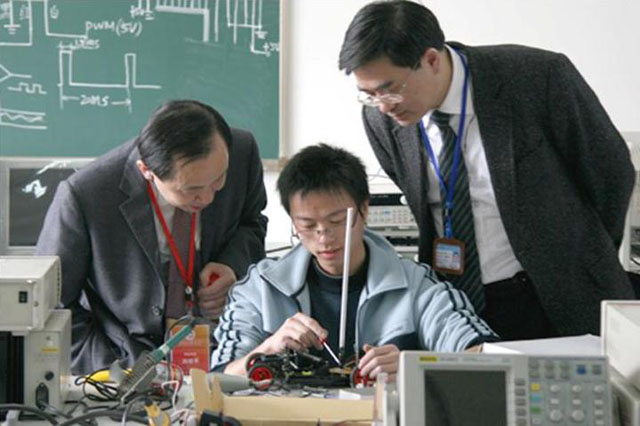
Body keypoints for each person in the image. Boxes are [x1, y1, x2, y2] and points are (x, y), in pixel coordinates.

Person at [338, 0, 636, 340]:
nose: (382, 106)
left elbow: (611, 172)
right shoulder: (380, 119)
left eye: (389, 89)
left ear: (431, 60)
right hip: (457, 307)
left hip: (556, 296)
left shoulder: (537, 78)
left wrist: (587, 254)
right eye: (368, 94)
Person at [211, 144, 497, 381]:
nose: (324, 237)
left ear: (364, 209)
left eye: (338, 221)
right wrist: (266, 351)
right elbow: (217, 378)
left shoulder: (416, 284)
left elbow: (488, 356)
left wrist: (416, 366)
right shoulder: (260, 288)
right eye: (307, 225)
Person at [36, 100, 268, 374]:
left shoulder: (241, 152)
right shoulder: (86, 195)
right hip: (128, 359)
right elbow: (51, 307)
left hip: (224, 351)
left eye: (218, 180)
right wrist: (113, 369)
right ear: (147, 171)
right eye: (191, 189)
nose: (207, 197)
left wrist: (232, 265)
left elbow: (252, 222)